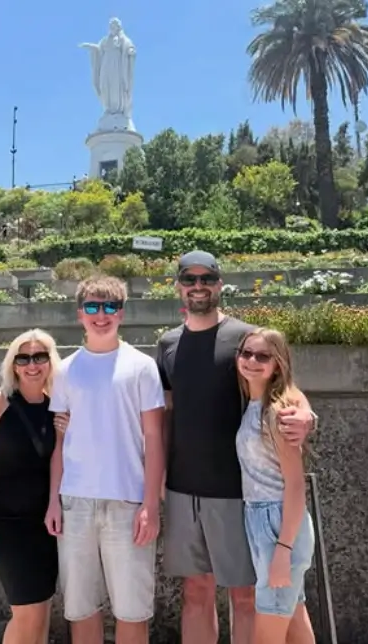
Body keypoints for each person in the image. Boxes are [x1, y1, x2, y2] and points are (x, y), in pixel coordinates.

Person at [156, 250, 318, 644]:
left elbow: (281, 383)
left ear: (219, 284)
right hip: (182, 491)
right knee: (195, 593)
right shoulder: (167, 344)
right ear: (179, 285)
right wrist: (159, 479)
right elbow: (165, 415)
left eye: (206, 279)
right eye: (190, 279)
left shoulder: (244, 339)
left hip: (235, 493)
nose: (198, 286)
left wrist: (308, 415)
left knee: (245, 596)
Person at [44, 275, 165, 644]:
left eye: (109, 306)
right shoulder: (64, 369)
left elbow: (155, 437)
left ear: (121, 313)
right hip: (75, 502)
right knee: (80, 609)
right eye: (93, 307)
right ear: (80, 314)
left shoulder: (142, 366)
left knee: (132, 610)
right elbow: (60, 442)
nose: (101, 315)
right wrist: (53, 500)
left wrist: (151, 504)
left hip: (128, 503)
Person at [0, 329, 68, 644]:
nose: (32, 365)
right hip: (8, 525)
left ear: (51, 362)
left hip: (44, 524)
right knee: (26, 614)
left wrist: (65, 434)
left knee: (41, 613)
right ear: (13, 364)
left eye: (40, 357)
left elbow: (57, 460)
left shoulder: (57, 407)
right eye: (23, 358)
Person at [235, 327, 316, 644]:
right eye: (246, 353)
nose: (252, 360)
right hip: (259, 520)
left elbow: (295, 486)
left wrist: (282, 550)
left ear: (277, 364)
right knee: (295, 625)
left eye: (263, 356)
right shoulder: (255, 405)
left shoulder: (279, 413)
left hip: (278, 524)